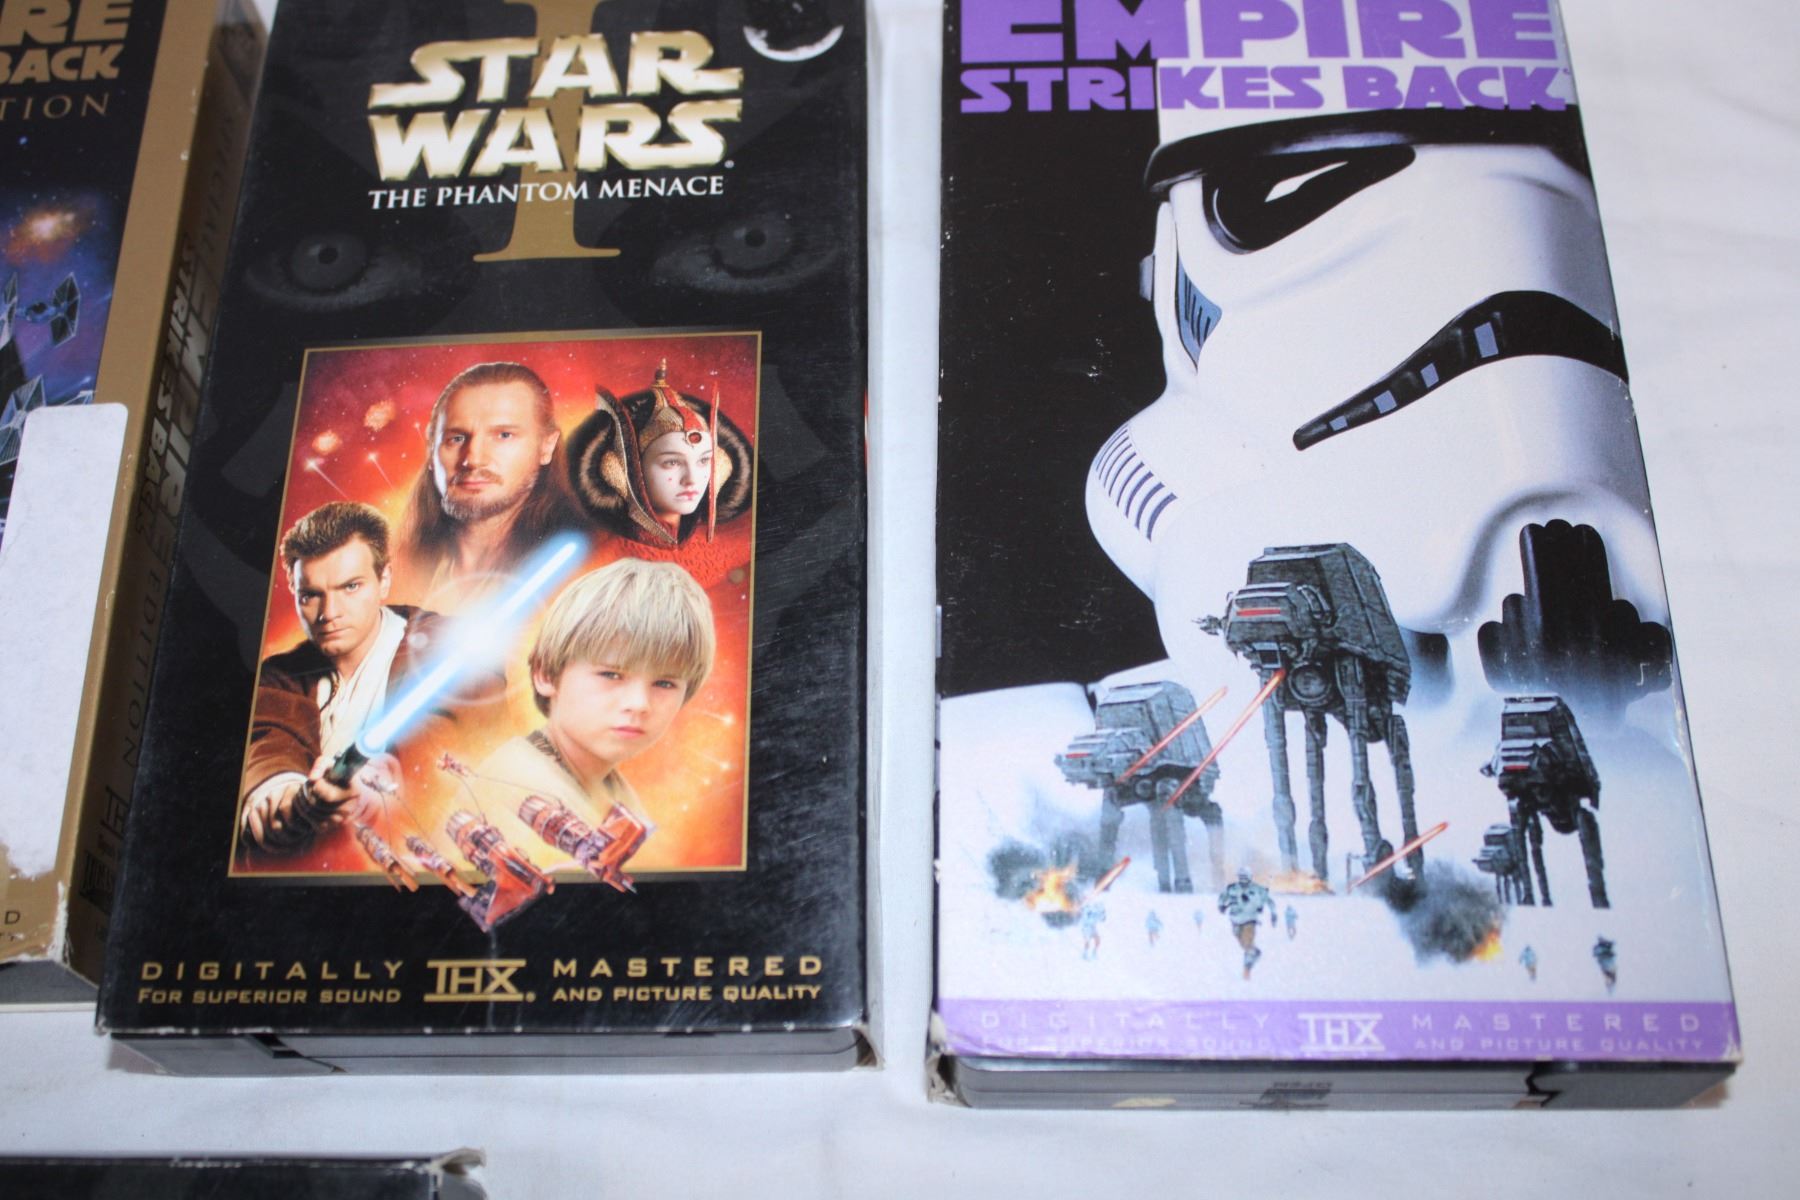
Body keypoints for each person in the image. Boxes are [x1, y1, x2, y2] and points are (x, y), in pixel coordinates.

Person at [239, 502, 499, 855]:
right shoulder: (278, 676)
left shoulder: (446, 646)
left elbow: (458, 726)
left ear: (384, 579)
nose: (329, 613)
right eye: (311, 595)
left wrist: (371, 785)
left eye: (350, 587)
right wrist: (280, 793)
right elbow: (267, 741)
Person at [473, 557, 715, 833]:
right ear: (546, 674)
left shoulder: (612, 793)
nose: (639, 704)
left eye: (664, 683)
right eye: (611, 675)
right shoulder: (518, 787)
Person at [397, 361, 585, 611]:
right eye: (456, 438)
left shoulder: (586, 568)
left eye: (504, 435)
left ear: (546, 446)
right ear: (431, 447)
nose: (473, 459)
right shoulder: (392, 564)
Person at [566, 361, 753, 551]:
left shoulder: (725, 548)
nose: (692, 479)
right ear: (630, 468)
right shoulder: (604, 550)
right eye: (672, 462)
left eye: (704, 460)